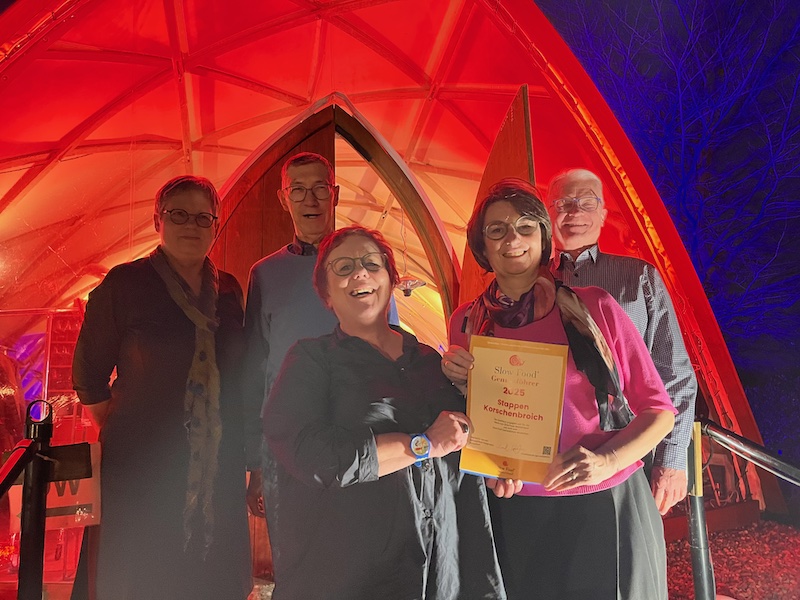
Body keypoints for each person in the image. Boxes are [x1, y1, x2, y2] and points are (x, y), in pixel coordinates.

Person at [442, 178, 676, 600]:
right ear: (482, 245)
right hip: (515, 510)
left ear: (544, 236)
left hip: (604, 501)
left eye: (525, 226)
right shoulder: (466, 322)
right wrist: (492, 463)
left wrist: (606, 462)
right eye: (497, 229)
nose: (513, 239)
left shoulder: (595, 307)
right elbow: (477, 420)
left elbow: (659, 412)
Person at [262, 225, 506, 600]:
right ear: (326, 293)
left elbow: (461, 448)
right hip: (356, 568)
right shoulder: (311, 359)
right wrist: (422, 444)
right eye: (344, 267)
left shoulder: (429, 360)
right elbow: (313, 455)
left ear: (391, 280)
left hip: (440, 561)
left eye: (371, 264)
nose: (360, 272)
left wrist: (500, 466)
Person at [72, 176, 251, 600]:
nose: (192, 225)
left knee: (209, 576)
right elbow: (89, 376)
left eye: (203, 218)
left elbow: (240, 374)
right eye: (179, 214)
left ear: (215, 226)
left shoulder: (228, 289)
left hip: (216, 462)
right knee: (141, 572)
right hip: (142, 465)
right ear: (158, 221)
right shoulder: (125, 284)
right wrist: (135, 425)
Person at [242, 152, 398, 517]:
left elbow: (392, 351)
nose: (310, 200)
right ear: (284, 199)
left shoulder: (368, 269)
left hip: (360, 438)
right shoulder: (265, 274)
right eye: (297, 190)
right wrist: (256, 462)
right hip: (290, 442)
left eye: (320, 188)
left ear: (335, 195)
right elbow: (255, 371)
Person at [546, 168, 697, 515]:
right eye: (564, 203)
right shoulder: (530, 283)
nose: (575, 212)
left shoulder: (639, 278)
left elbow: (675, 373)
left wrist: (672, 460)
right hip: (551, 458)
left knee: (627, 544)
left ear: (603, 214)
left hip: (632, 452)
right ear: (548, 213)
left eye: (587, 202)